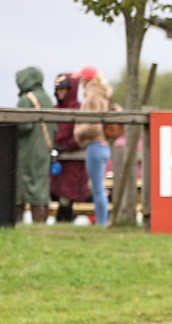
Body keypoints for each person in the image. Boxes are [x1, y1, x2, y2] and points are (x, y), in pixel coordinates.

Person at [71, 65, 113, 226]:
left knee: (97, 188)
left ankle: (101, 222)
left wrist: (78, 132)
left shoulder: (93, 96)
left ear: (85, 79)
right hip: (102, 144)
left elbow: (93, 125)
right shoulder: (102, 94)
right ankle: (101, 220)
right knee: (98, 187)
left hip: (95, 144)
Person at [14, 66, 53, 223]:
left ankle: (17, 222)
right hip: (44, 150)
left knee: (21, 188)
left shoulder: (26, 100)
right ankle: (40, 224)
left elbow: (23, 126)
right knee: (41, 187)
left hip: (27, 151)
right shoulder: (47, 99)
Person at [50, 73, 90, 222]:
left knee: (66, 196)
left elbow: (82, 134)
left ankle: (63, 222)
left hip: (73, 162)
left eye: (64, 89)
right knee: (57, 194)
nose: (61, 92)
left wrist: (66, 146)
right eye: (58, 89)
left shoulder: (78, 108)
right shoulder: (53, 109)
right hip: (56, 161)